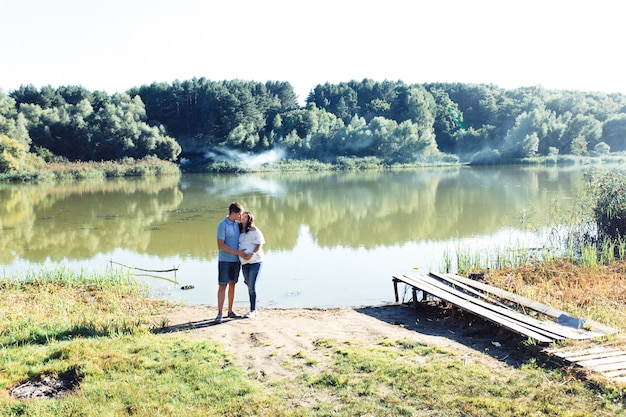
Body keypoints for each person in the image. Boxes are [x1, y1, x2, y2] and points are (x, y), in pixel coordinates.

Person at [215, 202, 246, 323]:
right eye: (240, 214)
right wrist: (237, 252)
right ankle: (219, 314)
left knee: (233, 284)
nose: (241, 216)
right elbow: (220, 245)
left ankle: (231, 311)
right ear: (233, 213)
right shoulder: (222, 225)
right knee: (223, 285)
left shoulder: (238, 225)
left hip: (235, 261)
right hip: (224, 260)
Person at [238, 211, 265, 318]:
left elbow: (260, 244)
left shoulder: (254, 230)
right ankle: (253, 308)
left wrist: (252, 254)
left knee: (251, 285)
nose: (243, 218)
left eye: (246, 217)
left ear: (249, 219)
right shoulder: (239, 230)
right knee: (247, 283)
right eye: (242, 216)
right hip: (244, 262)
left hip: (255, 261)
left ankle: (253, 310)